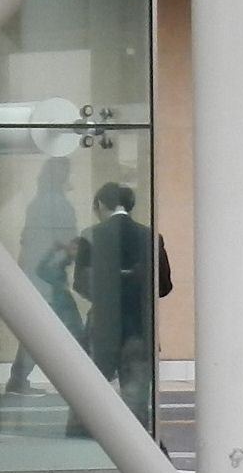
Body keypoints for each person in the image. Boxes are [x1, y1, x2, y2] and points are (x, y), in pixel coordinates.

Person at [75, 183, 172, 423]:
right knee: (136, 401)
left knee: (90, 393)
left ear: (100, 204)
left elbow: (80, 282)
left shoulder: (90, 235)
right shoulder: (151, 236)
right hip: (139, 326)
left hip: (102, 326)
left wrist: (106, 292)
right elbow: (164, 285)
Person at [9, 157, 84, 395]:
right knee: (71, 328)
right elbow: (67, 242)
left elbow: (27, 243)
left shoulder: (37, 203)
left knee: (39, 328)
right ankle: (85, 379)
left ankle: (19, 378)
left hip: (36, 274)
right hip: (51, 276)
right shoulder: (60, 205)